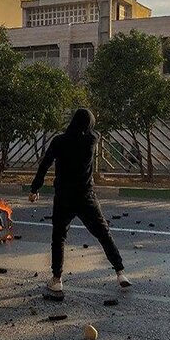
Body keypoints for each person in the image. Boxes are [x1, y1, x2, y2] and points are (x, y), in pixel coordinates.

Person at [29, 108, 131, 294]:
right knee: (103, 234)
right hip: (86, 197)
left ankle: (57, 279)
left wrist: (35, 188)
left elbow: (44, 164)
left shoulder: (58, 141)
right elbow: (95, 131)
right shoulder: (91, 140)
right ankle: (120, 272)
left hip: (63, 198)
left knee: (58, 237)